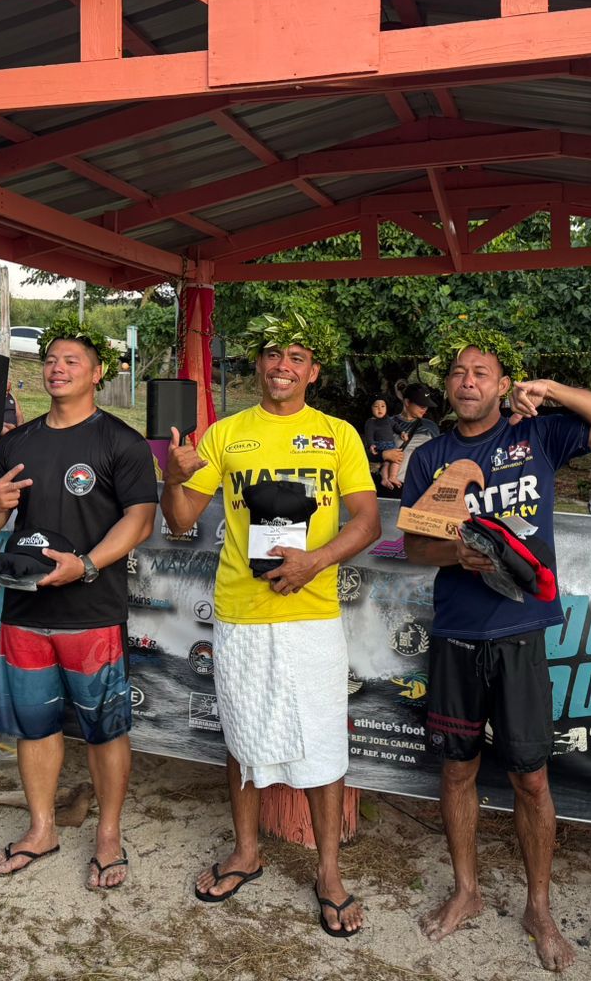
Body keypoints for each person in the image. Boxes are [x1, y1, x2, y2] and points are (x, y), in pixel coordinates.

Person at [401, 343, 591, 972]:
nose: (467, 382)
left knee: (531, 778)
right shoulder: (431, 457)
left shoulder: (537, 436)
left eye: (481, 373)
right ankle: (467, 891)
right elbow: (416, 547)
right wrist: (456, 555)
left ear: (503, 385)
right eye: (458, 373)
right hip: (457, 630)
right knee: (457, 770)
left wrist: (551, 389)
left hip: (521, 630)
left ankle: (539, 909)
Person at [161, 313, 381, 937]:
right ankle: (246, 852)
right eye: (273, 354)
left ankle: (329, 874)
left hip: (311, 614)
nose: (283, 365)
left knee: (323, 742)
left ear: (313, 371)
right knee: (242, 735)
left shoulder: (337, 435)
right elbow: (180, 520)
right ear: (258, 364)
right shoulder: (226, 434)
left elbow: (368, 523)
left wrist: (316, 560)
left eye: (297, 356)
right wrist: (172, 479)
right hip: (242, 613)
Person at [0, 324, 158, 891]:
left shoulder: (121, 442)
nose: (58, 368)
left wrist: (88, 565)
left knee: (105, 730)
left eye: (73, 360)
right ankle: (41, 829)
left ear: (97, 374)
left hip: (92, 611)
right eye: (51, 359)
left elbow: (141, 520)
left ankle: (108, 835)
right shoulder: (17, 443)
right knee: (35, 725)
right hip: (24, 611)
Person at [380, 382, 440, 478]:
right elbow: (369, 453)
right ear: (407, 402)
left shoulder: (430, 427)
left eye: (426, 405)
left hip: (421, 483)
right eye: (421, 405)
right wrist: (384, 454)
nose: (425, 409)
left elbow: (438, 456)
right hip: (393, 483)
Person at [362, 397, 406, 490]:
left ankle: (388, 478)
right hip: (380, 445)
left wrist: (402, 432)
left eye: (383, 406)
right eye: (376, 406)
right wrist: (371, 445)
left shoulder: (388, 420)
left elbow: (396, 426)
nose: (380, 409)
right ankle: (389, 477)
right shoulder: (370, 422)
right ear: (371, 408)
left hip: (391, 444)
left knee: (391, 461)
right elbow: (369, 434)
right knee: (395, 459)